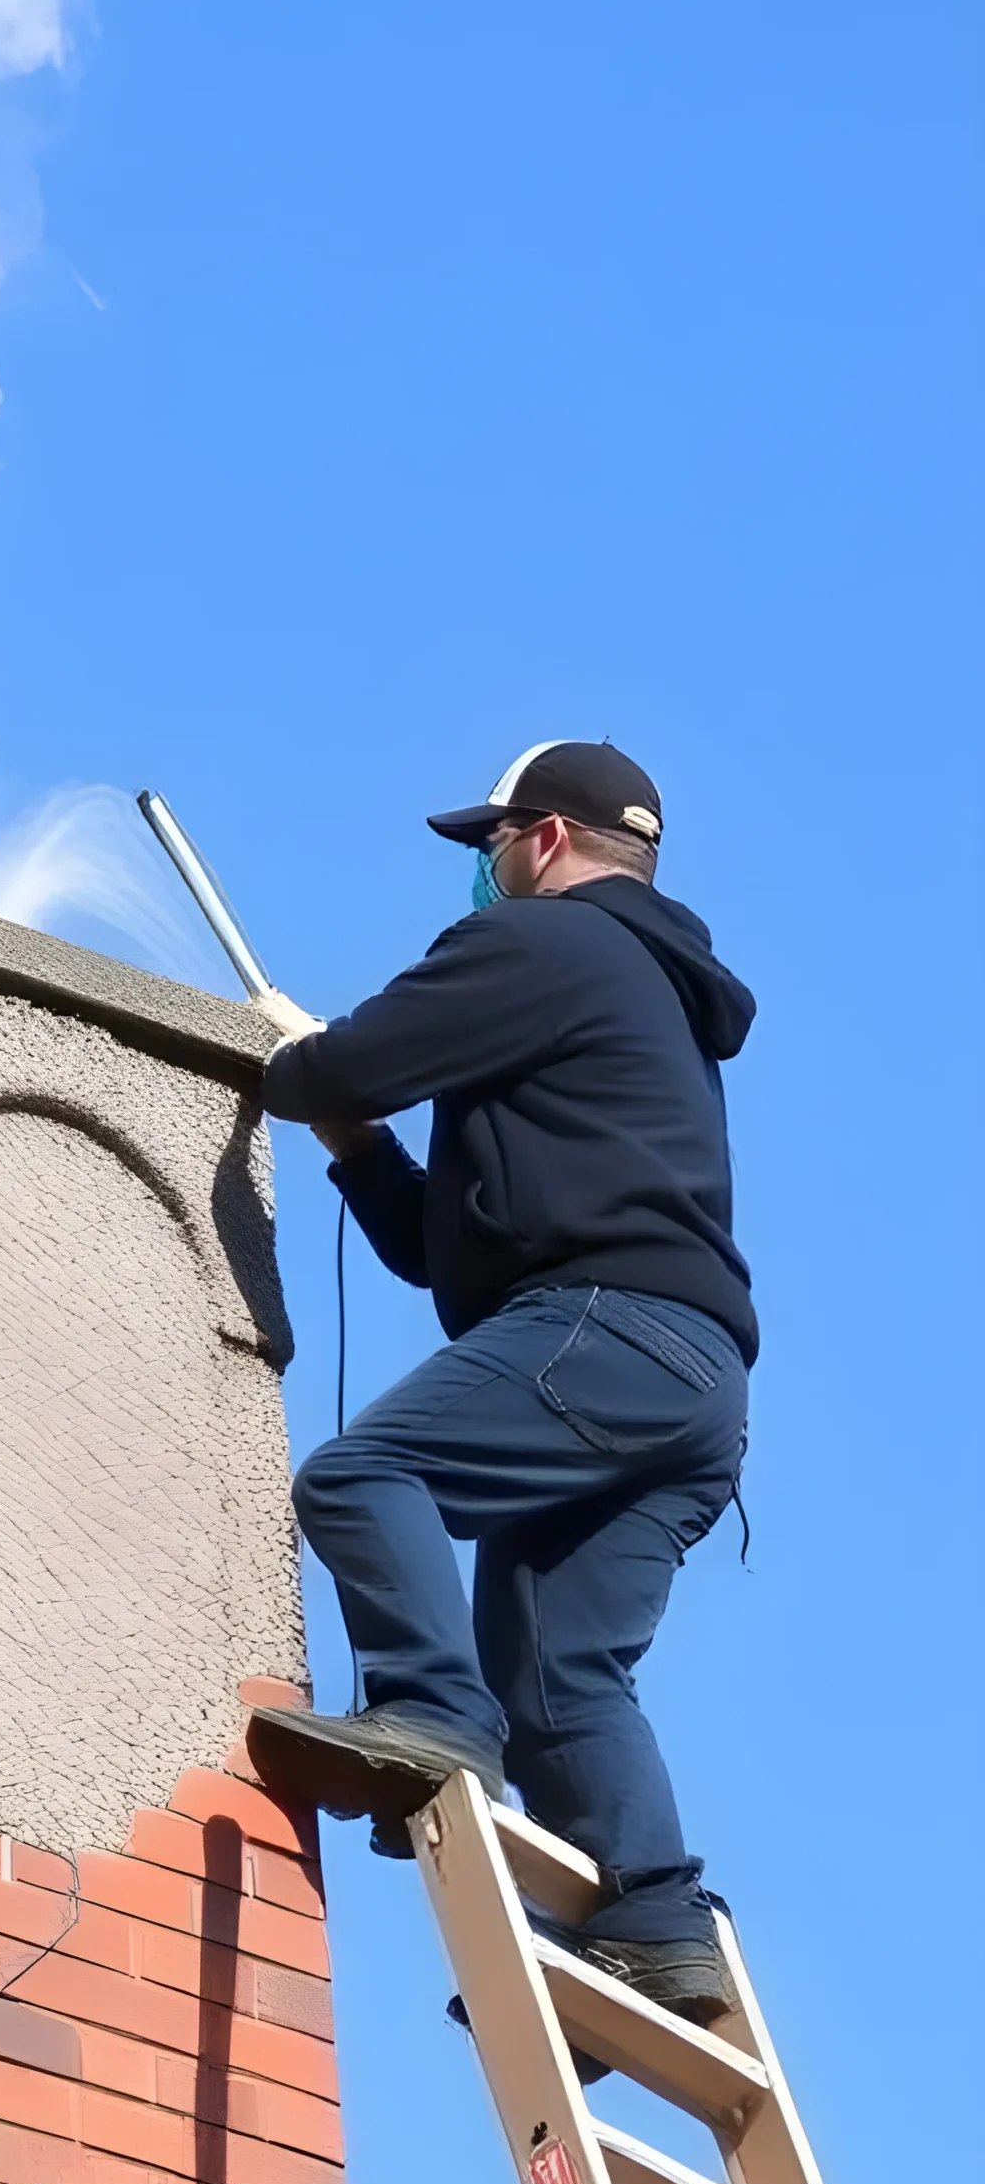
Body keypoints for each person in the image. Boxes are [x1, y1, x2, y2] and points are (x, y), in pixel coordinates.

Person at [246, 739, 753, 2028]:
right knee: (560, 1674)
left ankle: (429, 1713)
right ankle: (649, 1926)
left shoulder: (545, 948)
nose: (481, 870)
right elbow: (434, 1247)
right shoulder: (634, 988)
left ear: (542, 841)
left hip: (610, 1330)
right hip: (686, 1380)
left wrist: (297, 1060)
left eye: (490, 844)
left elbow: (341, 1063)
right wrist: (356, 1148)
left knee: (368, 1472)